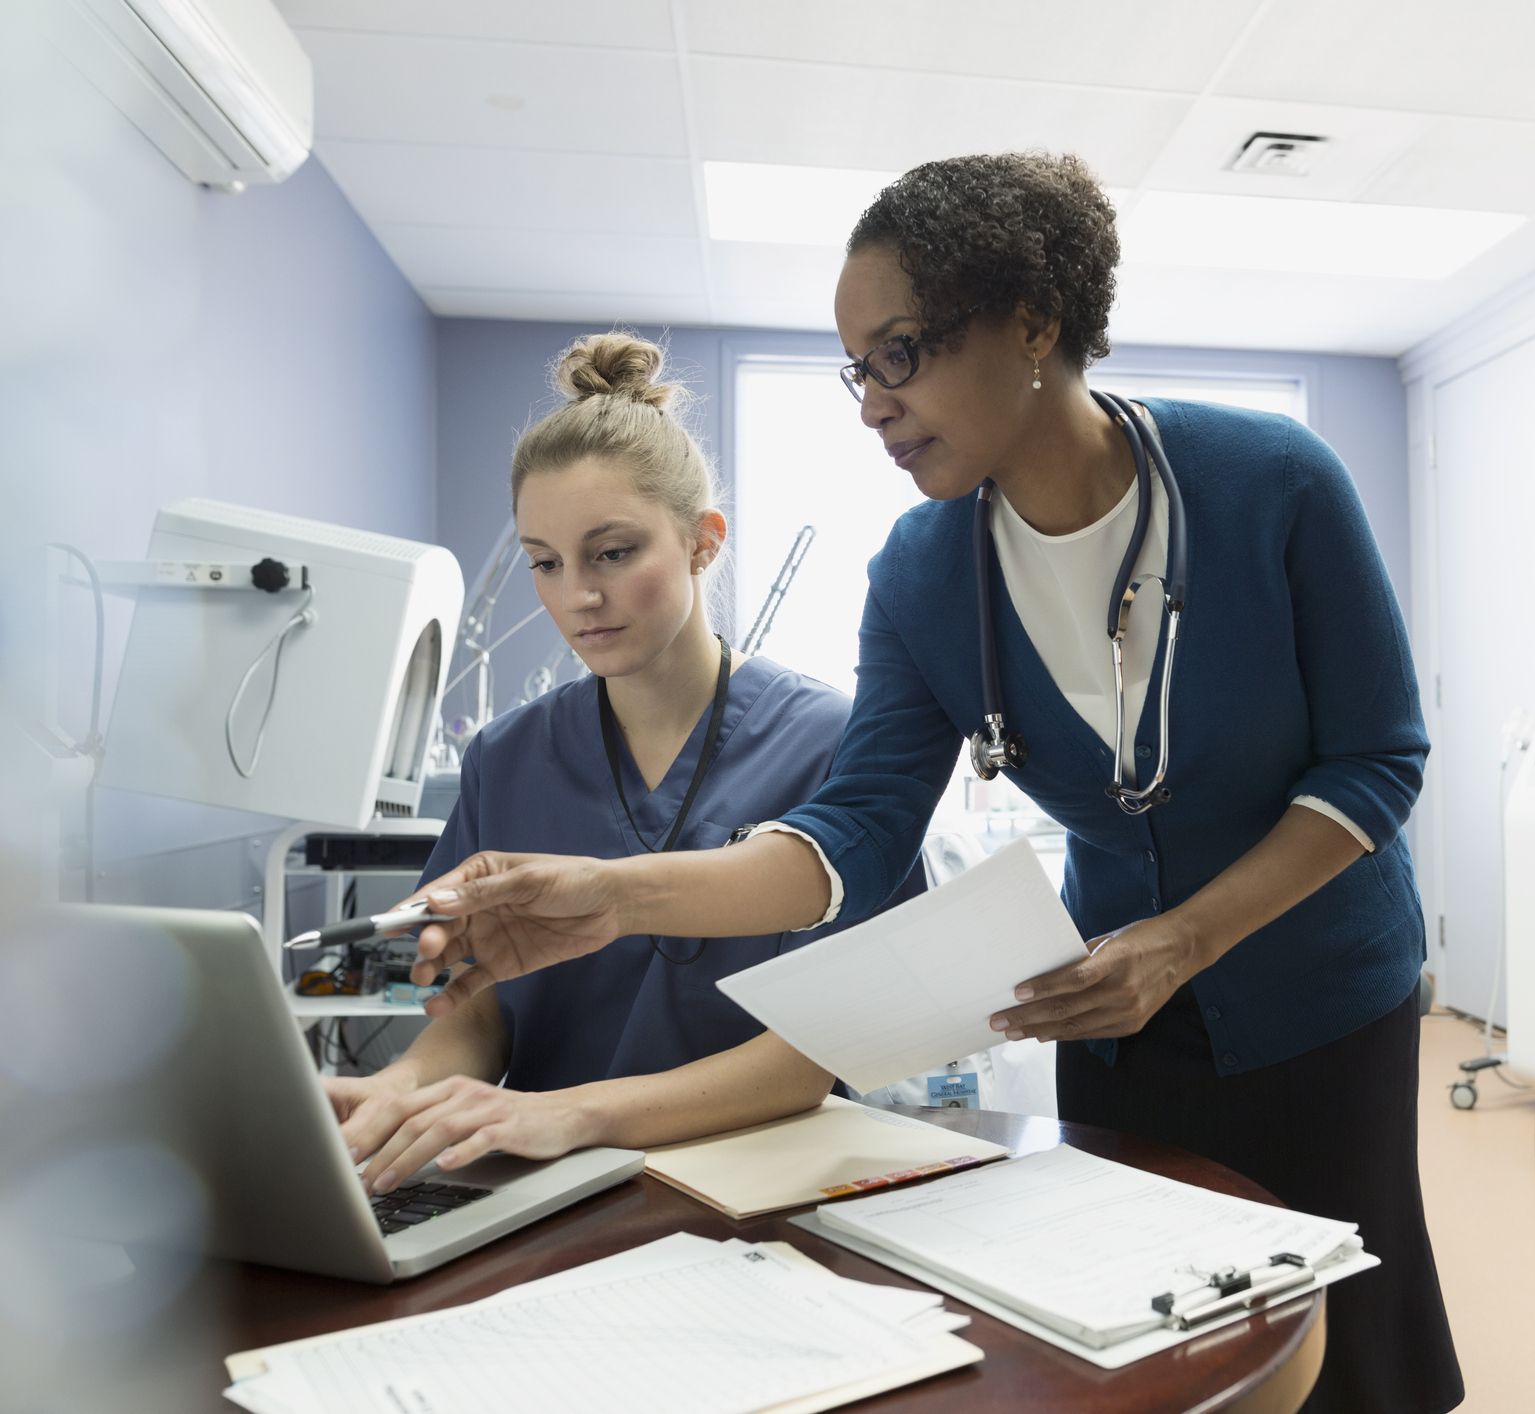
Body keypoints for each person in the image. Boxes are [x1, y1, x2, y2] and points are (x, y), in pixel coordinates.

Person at [407, 154, 1462, 1412]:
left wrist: (1184, 939)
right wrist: (618, 895)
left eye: (900, 353)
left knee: (1341, 1335)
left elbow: (1380, 757)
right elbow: (850, 832)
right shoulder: (919, 572)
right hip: (1112, 1009)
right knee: (1159, 1336)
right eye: (860, 368)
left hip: (1318, 981)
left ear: (1034, 323)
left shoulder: (1271, 484)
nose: (872, 403)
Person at [326, 333, 919, 1197]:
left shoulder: (831, 742)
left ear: (702, 542)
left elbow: (818, 1052)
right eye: (545, 563)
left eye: (611, 553)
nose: (577, 595)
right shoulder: (508, 758)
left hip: (760, 1189)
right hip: (539, 1190)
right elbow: (481, 1003)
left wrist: (575, 1112)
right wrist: (398, 1089)